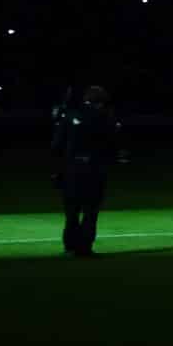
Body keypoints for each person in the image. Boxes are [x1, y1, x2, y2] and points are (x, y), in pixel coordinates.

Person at [52, 85, 121, 256]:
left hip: (72, 170)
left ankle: (70, 246)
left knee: (72, 211)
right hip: (94, 170)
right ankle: (84, 248)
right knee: (90, 212)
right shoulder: (106, 118)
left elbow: (56, 146)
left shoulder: (70, 115)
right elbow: (112, 146)